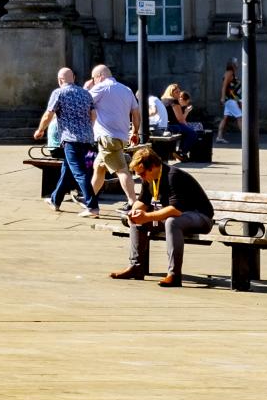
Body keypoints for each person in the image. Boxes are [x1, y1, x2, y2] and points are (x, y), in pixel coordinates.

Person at [111, 147, 215, 288]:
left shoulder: (173, 176)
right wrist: (133, 213)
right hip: (176, 216)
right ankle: (136, 267)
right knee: (138, 220)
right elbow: (142, 202)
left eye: (142, 174)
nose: (141, 177)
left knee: (172, 222)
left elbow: (175, 210)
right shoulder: (149, 178)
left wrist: (146, 216)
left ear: (153, 167)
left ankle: (174, 275)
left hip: (200, 217)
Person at [33, 68, 99, 216]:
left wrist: (40, 130)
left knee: (79, 173)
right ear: (74, 78)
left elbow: (48, 115)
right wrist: (87, 130)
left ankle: (92, 206)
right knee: (67, 170)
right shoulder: (86, 93)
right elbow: (93, 115)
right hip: (87, 139)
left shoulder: (59, 93)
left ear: (59, 80)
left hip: (71, 140)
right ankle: (55, 200)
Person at [86, 65, 140, 204]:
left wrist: (87, 88)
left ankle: (132, 202)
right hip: (121, 137)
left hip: (107, 138)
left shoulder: (101, 87)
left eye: (93, 78)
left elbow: (84, 102)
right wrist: (134, 131)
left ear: (99, 76)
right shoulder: (126, 89)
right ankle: (89, 201)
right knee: (99, 169)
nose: (94, 81)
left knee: (122, 170)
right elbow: (136, 113)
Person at [157, 84, 207, 161]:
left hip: (162, 126)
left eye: (179, 92)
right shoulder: (174, 101)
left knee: (186, 131)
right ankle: (182, 152)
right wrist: (186, 113)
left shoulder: (162, 100)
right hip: (172, 126)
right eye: (176, 92)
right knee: (192, 133)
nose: (179, 94)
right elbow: (180, 119)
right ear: (171, 93)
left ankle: (179, 153)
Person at [216, 61, 242, 144]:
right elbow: (224, 86)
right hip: (230, 100)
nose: (238, 64)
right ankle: (246, 138)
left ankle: (219, 137)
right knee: (240, 117)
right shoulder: (229, 73)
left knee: (225, 118)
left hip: (232, 99)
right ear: (232, 65)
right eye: (236, 63)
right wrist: (222, 98)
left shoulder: (232, 73)